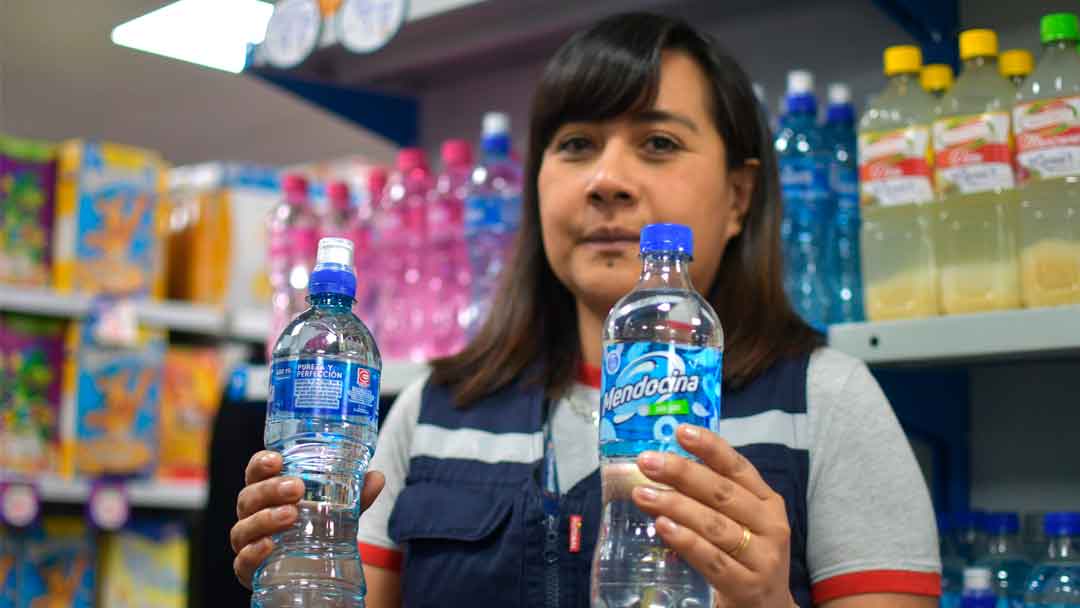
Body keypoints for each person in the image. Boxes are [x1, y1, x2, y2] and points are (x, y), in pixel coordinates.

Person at [230, 12, 941, 608]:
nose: (607, 182)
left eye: (658, 143)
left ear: (739, 196)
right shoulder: (434, 414)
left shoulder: (826, 402)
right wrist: (289, 561)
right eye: (575, 146)